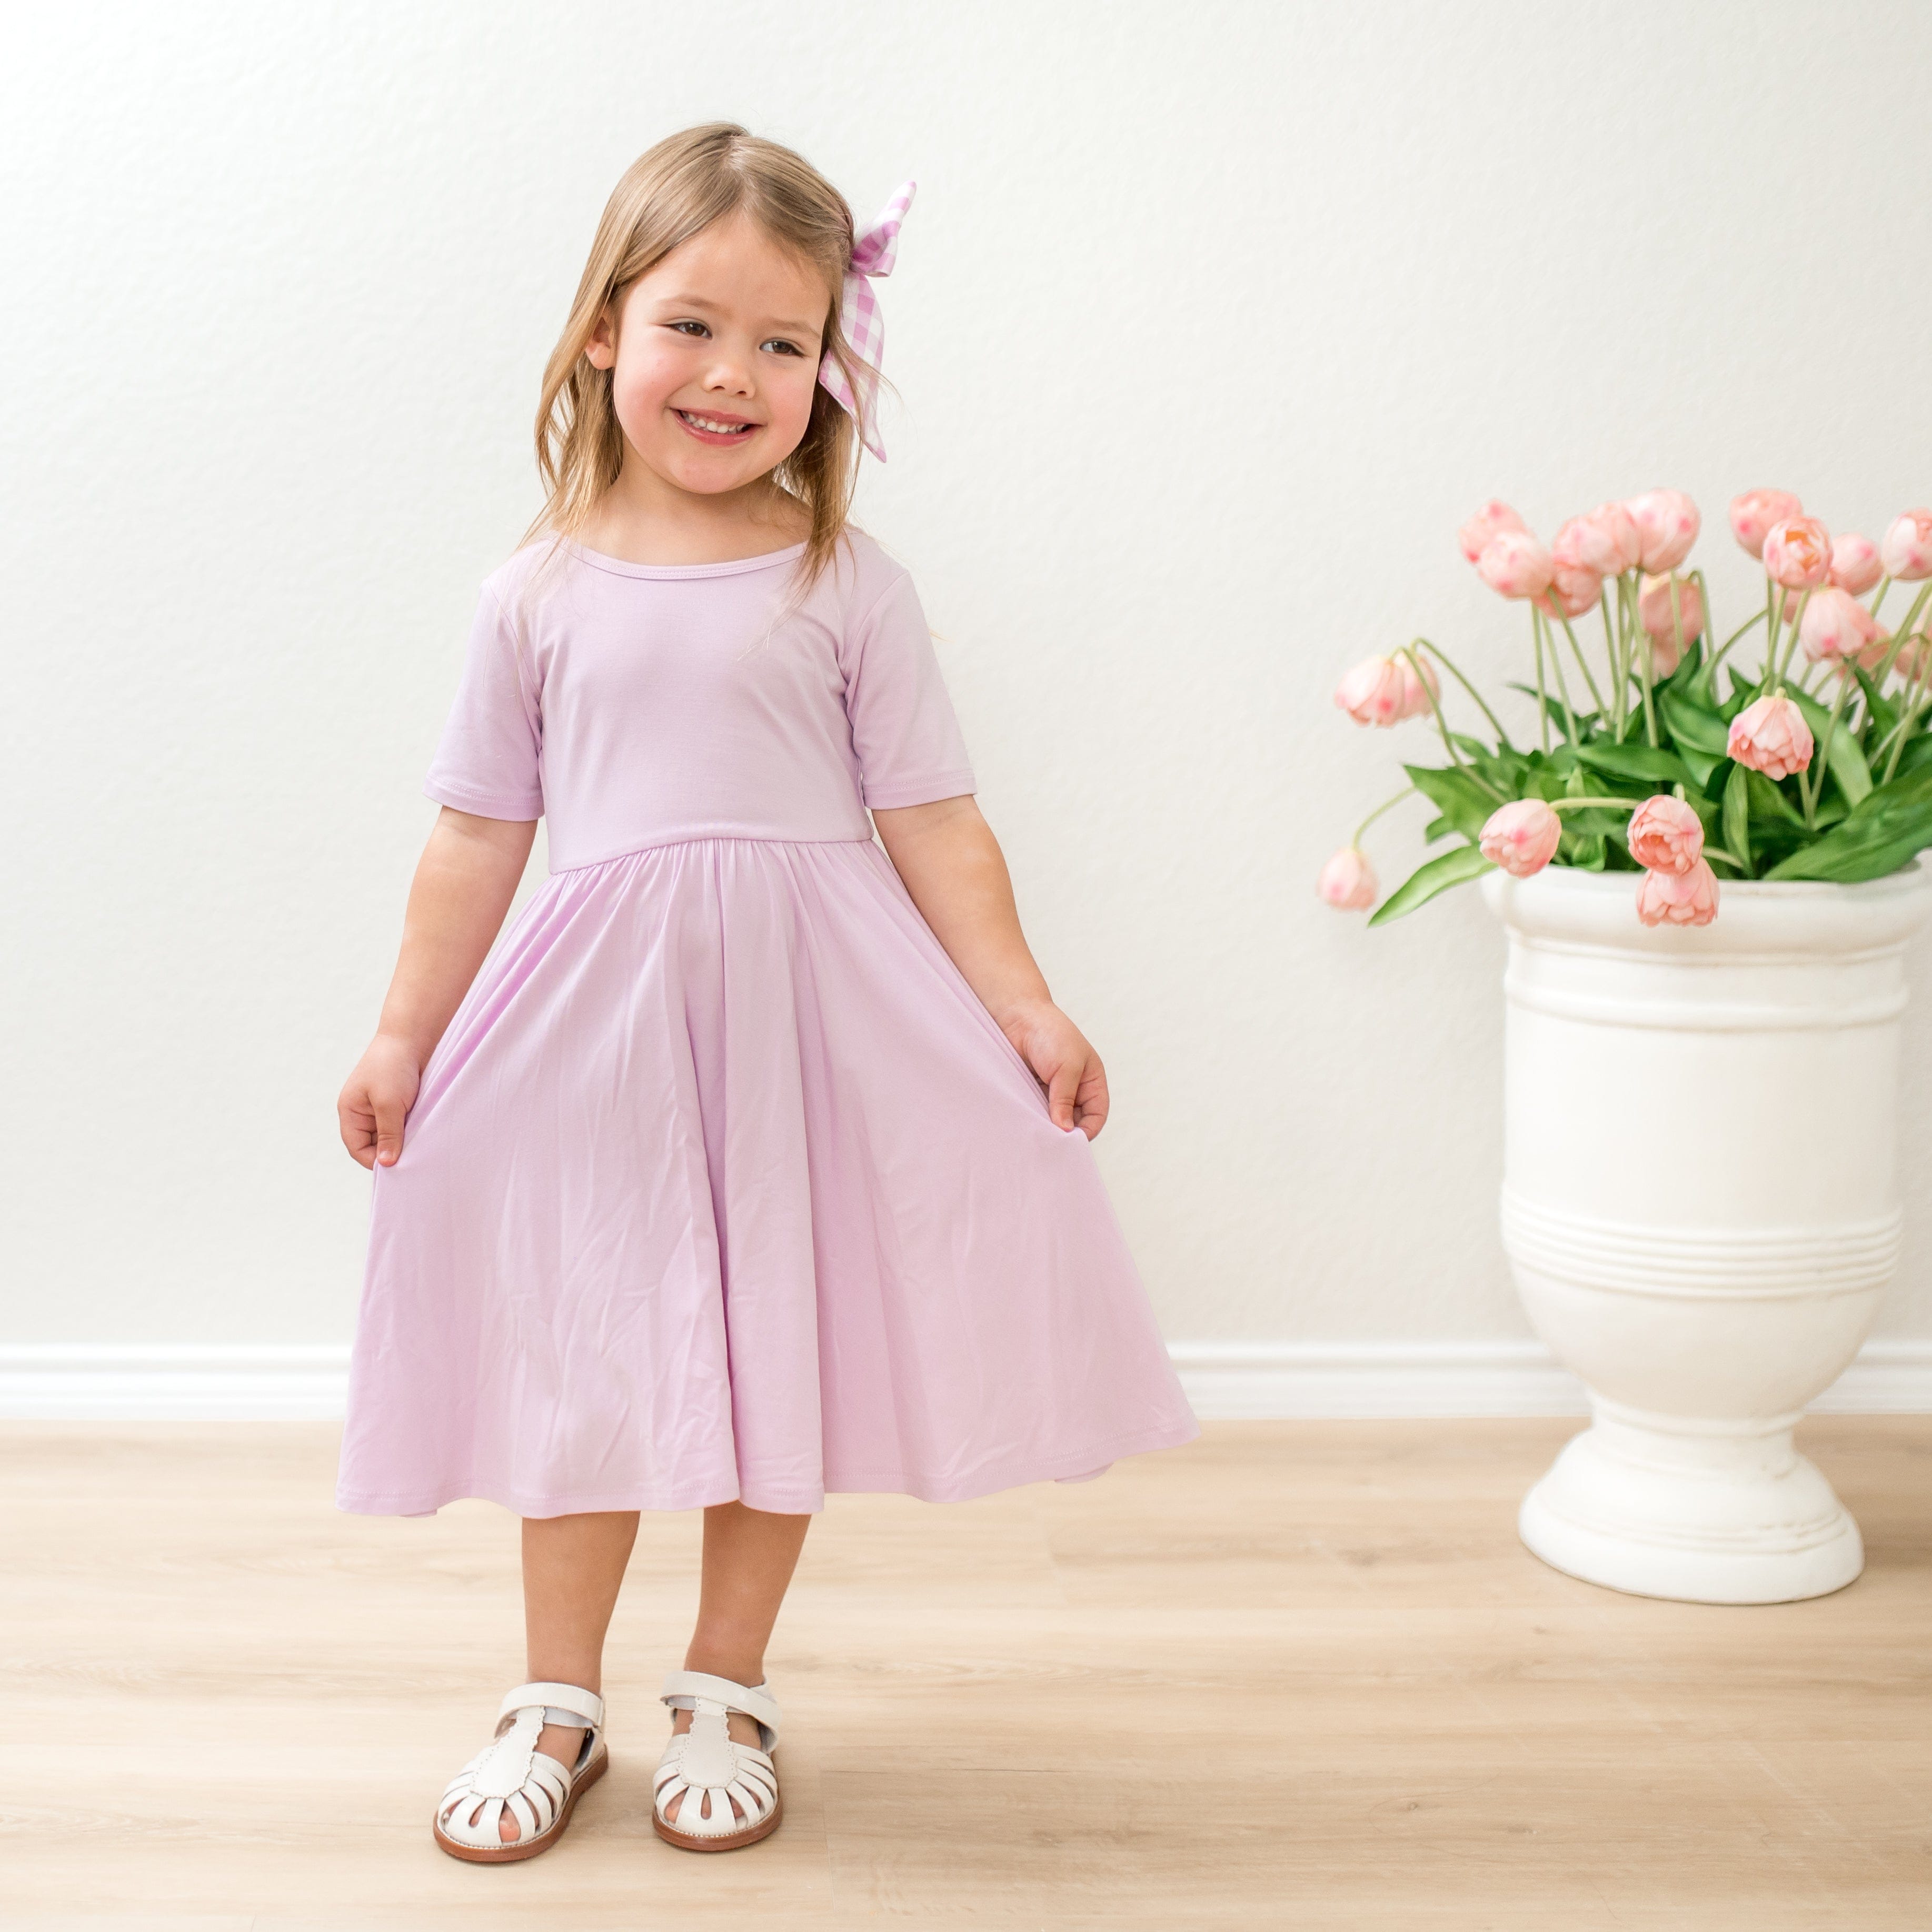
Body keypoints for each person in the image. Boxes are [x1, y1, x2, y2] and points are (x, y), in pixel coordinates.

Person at [334, 120, 1198, 1865]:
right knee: (587, 1359)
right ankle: (554, 1696)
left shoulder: (846, 584)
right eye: (693, 326)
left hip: (806, 1031)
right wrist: (403, 1034)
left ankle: (727, 1681)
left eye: (784, 342)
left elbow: (935, 821)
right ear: (603, 330)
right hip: (600, 1040)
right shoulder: (535, 595)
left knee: (769, 1356)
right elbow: (476, 837)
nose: (735, 374)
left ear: (831, 367)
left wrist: (1026, 1006)